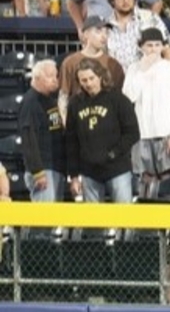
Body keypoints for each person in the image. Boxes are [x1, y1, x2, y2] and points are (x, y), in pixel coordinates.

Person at [64, 58, 139, 205]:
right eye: (84, 80)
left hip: (117, 169)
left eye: (91, 78)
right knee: (93, 218)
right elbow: (71, 141)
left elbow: (133, 133)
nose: (88, 83)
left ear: (100, 76)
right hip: (89, 171)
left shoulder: (118, 99)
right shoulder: (75, 104)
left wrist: (114, 153)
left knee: (124, 215)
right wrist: (73, 175)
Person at [124, 28, 170, 195]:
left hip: (165, 133)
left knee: (167, 177)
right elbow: (128, 97)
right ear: (141, 47)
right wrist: (143, 71)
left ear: (163, 46)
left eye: (157, 45)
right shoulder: (134, 69)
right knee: (145, 178)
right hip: (141, 134)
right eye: (149, 45)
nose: (153, 49)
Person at [18, 60, 66, 204]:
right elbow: (28, 138)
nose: (55, 80)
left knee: (55, 215)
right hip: (43, 168)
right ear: (37, 78)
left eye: (56, 76)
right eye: (50, 76)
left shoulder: (51, 100)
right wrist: (37, 172)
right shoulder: (30, 101)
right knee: (44, 215)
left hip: (56, 166)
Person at [105, 0, 170, 74]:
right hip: (117, 80)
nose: (125, 0)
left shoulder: (150, 18)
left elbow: (168, 49)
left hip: (150, 78)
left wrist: (168, 76)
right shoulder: (105, 26)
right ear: (112, 1)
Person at [61, 15, 127, 103]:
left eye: (106, 32)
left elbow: (119, 97)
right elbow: (63, 95)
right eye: (98, 31)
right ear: (86, 34)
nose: (104, 36)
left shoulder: (113, 64)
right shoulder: (70, 62)